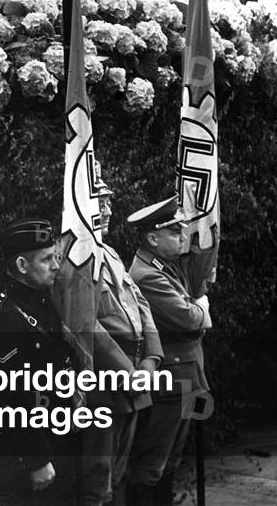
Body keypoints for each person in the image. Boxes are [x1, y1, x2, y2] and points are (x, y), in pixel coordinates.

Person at [0, 218, 78, 505]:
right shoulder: (2, 314)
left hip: (61, 432)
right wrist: (38, 458)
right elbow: (12, 395)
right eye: (47, 259)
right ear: (22, 266)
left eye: (56, 257)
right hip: (35, 447)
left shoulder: (42, 299)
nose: (56, 266)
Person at [125, 196, 211, 506]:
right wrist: (201, 308)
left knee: (173, 456)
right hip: (172, 379)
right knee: (155, 459)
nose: (182, 236)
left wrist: (195, 310)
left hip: (186, 373)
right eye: (175, 232)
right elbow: (189, 318)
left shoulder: (163, 267)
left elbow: (190, 315)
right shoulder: (147, 275)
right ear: (152, 238)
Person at [84, 181, 163, 505]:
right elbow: (84, 322)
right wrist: (127, 371)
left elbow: (141, 304)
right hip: (105, 380)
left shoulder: (110, 253)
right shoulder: (75, 258)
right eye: (100, 203)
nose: (107, 210)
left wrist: (152, 359)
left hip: (133, 375)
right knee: (96, 477)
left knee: (119, 473)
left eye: (108, 203)